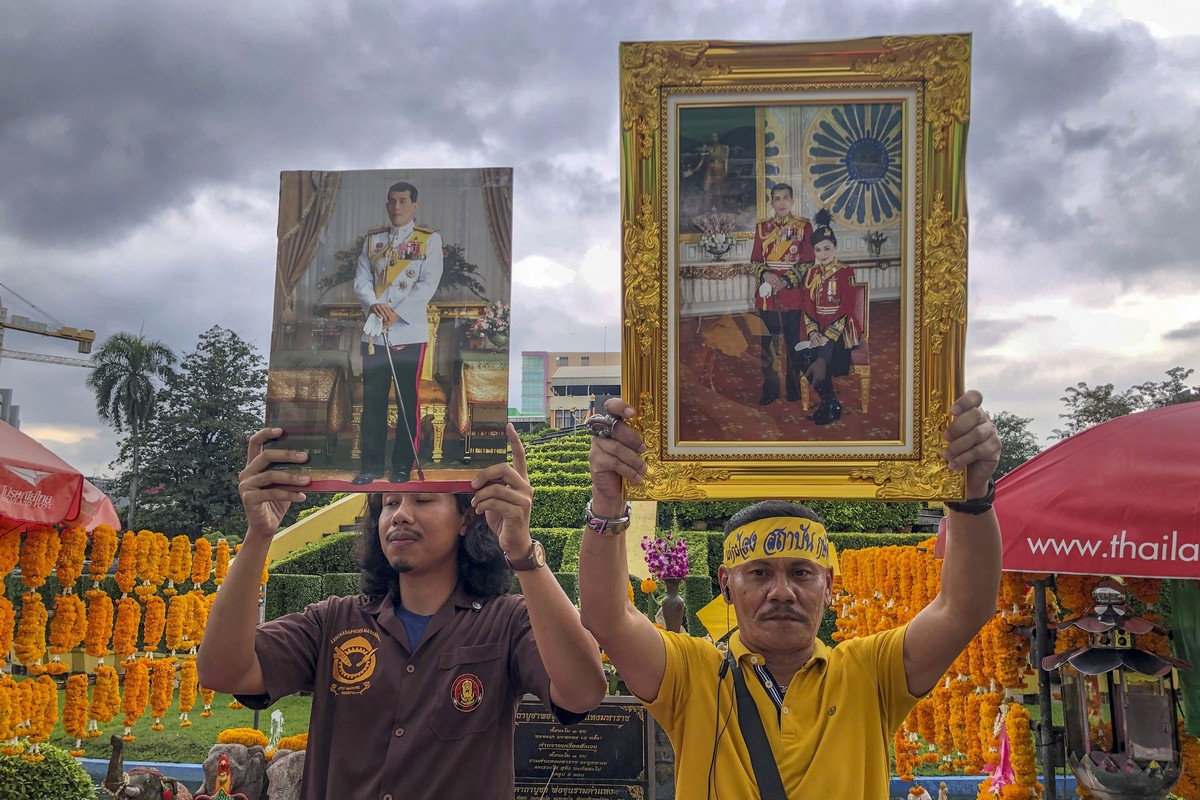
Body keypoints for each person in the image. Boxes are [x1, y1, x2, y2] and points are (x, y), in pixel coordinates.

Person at [579, 393, 1002, 799]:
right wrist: (607, 500)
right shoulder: (693, 675)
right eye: (759, 573)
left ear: (829, 586)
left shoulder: (870, 673)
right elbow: (608, 618)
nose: (782, 592)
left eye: (801, 573)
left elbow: (963, 608)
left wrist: (972, 497)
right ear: (726, 584)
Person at [197, 424, 607, 800]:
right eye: (389, 502)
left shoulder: (505, 623)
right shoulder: (334, 622)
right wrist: (258, 536)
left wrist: (521, 550)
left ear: (467, 517)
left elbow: (583, 691)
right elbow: (222, 670)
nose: (400, 515)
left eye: (423, 499)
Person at [351, 181, 443, 485]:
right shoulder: (373, 241)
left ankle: (402, 466)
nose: (396, 208)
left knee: (408, 401)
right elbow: (361, 281)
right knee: (373, 402)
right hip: (375, 333)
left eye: (403, 201)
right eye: (392, 201)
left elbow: (427, 284)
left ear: (414, 205)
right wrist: (375, 304)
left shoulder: (429, 241)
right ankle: (371, 466)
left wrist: (396, 313)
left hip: (408, 331)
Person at [797, 208, 862, 424]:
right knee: (802, 356)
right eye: (818, 250)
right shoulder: (812, 273)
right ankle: (830, 402)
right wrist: (813, 330)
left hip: (842, 330)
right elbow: (808, 304)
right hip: (818, 326)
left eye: (827, 248)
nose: (823, 254)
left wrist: (829, 335)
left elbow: (847, 306)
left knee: (822, 354)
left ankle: (829, 404)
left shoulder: (845, 271)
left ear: (835, 247)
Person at [750, 183, 813, 405]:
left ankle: (795, 388)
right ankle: (771, 389)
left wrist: (785, 281)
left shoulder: (804, 227)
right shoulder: (762, 228)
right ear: (772, 203)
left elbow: (807, 262)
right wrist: (766, 275)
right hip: (767, 297)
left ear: (793, 200)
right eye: (777, 199)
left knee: (794, 344)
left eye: (786, 198)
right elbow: (755, 261)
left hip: (792, 295)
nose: (782, 203)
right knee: (770, 345)